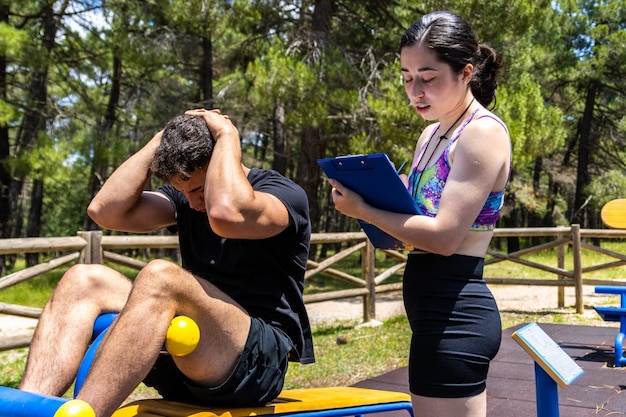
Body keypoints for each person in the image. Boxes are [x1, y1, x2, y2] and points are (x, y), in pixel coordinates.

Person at [19, 110, 314, 417]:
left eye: (199, 190)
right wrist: (164, 137)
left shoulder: (281, 193)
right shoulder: (186, 199)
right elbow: (105, 211)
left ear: (221, 159)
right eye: (186, 193)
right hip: (186, 360)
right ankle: (24, 411)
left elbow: (227, 214)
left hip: (255, 363)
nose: (194, 202)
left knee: (161, 276)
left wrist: (226, 135)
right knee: (84, 280)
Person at [327, 11, 510, 417]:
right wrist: (378, 200)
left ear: (466, 72)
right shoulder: (432, 132)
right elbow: (414, 228)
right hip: (433, 316)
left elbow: (444, 237)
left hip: (456, 314)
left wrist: (367, 210)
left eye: (428, 77)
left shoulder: (481, 132)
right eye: (407, 77)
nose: (415, 90)